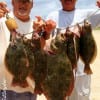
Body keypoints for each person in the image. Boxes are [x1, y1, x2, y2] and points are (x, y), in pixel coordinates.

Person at [0, 0, 55, 100]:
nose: (23, 4)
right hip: (2, 87)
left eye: (27, 1)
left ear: (32, 4)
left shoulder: (37, 26)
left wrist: (45, 33)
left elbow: (42, 53)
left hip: (27, 90)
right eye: (20, 1)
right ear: (13, 2)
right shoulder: (2, 19)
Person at [45, 0, 100, 100]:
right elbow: (45, 40)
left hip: (81, 73)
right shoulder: (52, 16)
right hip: (59, 72)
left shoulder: (86, 14)